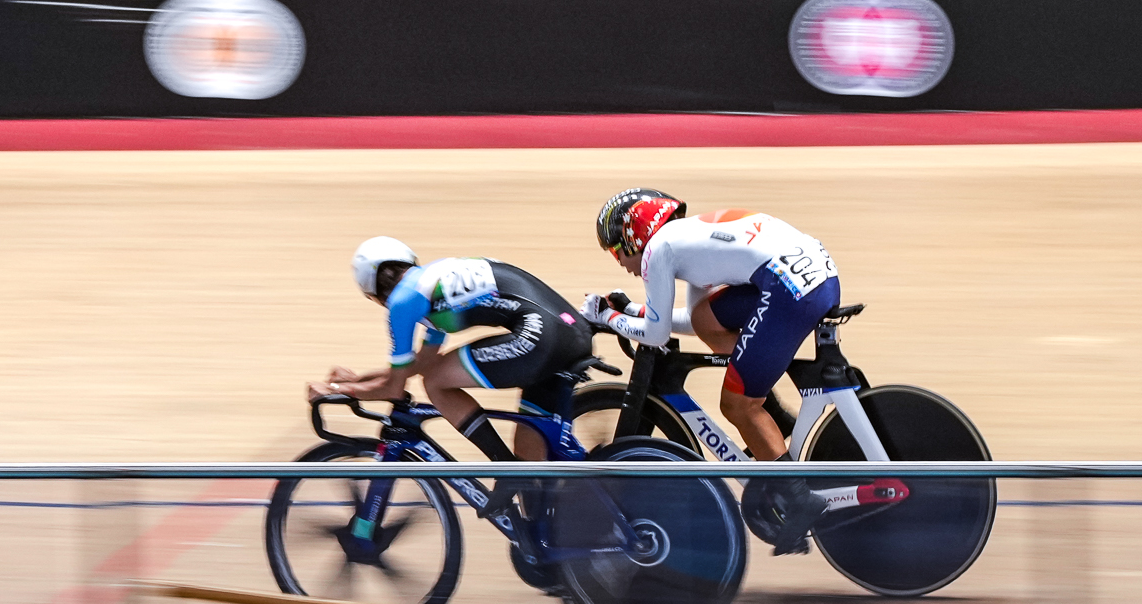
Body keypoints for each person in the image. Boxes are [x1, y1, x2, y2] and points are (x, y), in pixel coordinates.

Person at [581, 188, 840, 554]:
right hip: (810, 277)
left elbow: (655, 336)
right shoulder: (684, 242)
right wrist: (633, 311)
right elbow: (691, 321)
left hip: (790, 289)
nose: (619, 261)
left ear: (634, 234)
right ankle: (774, 419)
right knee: (708, 321)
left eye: (616, 249)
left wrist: (607, 316)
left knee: (735, 405)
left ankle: (800, 499)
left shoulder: (658, 250)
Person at [310, 236, 592, 466]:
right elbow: (422, 363)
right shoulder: (432, 284)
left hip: (542, 336)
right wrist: (355, 381)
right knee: (529, 455)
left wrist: (336, 389)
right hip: (565, 332)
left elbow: (395, 388)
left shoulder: (403, 302)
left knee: (435, 384)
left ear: (372, 294)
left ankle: (502, 467)